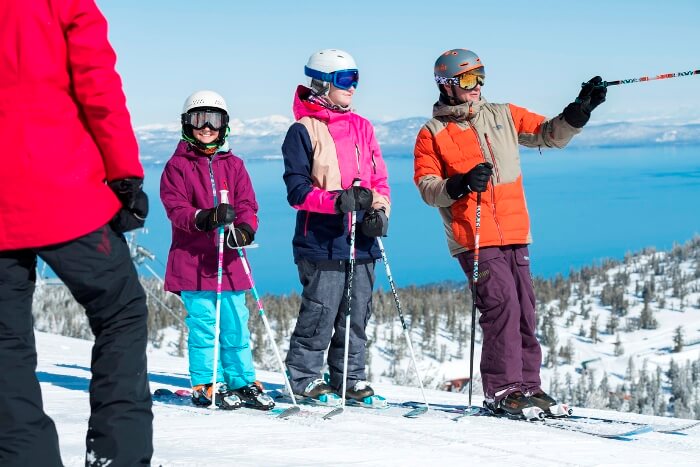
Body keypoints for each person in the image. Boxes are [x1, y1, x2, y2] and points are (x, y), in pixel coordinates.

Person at [413, 48, 606, 417]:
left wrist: (580, 109)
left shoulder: (502, 114)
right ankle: (502, 389)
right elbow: (427, 187)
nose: (478, 86)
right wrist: (460, 184)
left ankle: (528, 387)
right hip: (474, 234)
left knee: (524, 310)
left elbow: (548, 134)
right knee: (500, 306)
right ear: (448, 85)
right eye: (469, 79)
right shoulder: (432, 133)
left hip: (515, 230)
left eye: (481, 77)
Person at [0, 0, 153, 465]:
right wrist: (124, 175)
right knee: (121, 311)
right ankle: (118, 455)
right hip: (61, 189)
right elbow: (97, 83)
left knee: (4, 342)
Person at [281, 49, 391, 402]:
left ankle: (350, 378)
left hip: (362, 240)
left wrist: (380, 211)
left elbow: (380, 181)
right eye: (346, 80)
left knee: (357, 313)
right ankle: (303, 378)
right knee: (321, 312)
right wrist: (337, 202)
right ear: (323, 83)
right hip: (322, 239)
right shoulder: (302, 131)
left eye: (356, 79)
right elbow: (297, 192)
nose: (353, 87)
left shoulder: (363, 127)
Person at [160, 90, 274, 411]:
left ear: (225, 125)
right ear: (187, 124)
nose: (207, 127)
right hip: (194, 262)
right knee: (204, 325)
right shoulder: (177, 166)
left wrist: (245, 228)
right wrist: (204, 217)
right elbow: (176, 209)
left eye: (214, 119)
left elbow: (248, 204)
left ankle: (241, 380)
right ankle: (208, 382)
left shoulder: (234, 165)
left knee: (237, 323)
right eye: (199, 119)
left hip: (230, 261)